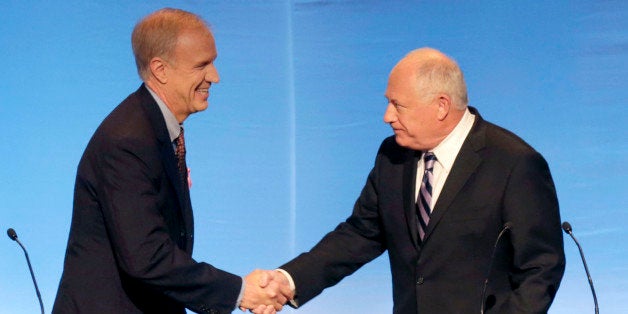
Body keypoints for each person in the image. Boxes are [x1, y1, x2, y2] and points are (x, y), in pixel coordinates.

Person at [269, 47, 566, 313]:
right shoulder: (392, 156)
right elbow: (361, 234)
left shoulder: (513, 163)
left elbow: (541, 268)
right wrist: (288, 280)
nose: (387, 116)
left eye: (398, 105)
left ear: (441, 106)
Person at [52, 8, 290, 314]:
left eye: (213, 62)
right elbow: (147, 256)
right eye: (201, 65)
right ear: (160, 69)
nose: (215, 77)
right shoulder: (127, 141)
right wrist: (240, 292)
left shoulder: (157, 128)